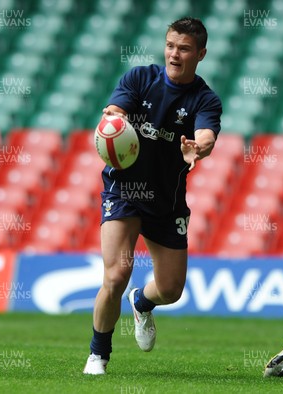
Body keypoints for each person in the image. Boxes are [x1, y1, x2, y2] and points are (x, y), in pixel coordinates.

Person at [83, 17, 222, 375]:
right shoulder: (139, 78)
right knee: (116, 275)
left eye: (185, 48)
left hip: (167, 200)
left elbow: (206, 135)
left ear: (201, 53)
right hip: (124, 190)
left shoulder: (205, 99)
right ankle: (98, 355)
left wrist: (198, 148)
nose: (175, 54)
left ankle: (142, 302)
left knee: (172, 290)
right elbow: (118, 110)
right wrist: (113, 117)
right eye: (171, 45)